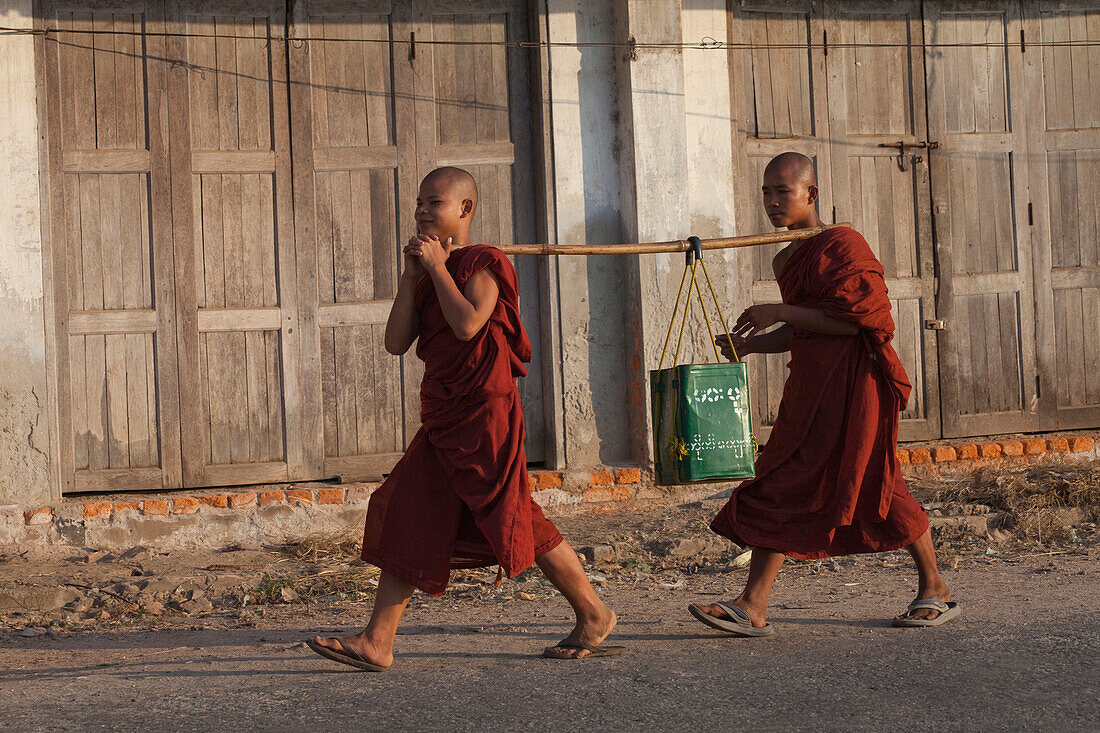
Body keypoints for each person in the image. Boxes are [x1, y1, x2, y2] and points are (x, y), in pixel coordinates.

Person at [307, 167, 622, 670]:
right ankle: (378, 640)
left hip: (482, 414)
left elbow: (469, 324)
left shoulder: (483, 263)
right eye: (418, 203)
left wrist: (436, 269)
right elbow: (394, 343)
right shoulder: (427, 271)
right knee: (413, 506)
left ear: (465, 209)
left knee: (507, 512)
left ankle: (593, 610)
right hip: (446, 414)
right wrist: (414, 277)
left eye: (434, 202)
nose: (422, 212)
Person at [688, 152, 958, 636]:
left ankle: (934, 585)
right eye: (766, 192)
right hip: (810, 387)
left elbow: (858, 322)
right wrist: (750, 345)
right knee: (782, 477)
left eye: (782, 192)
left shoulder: (843, 243)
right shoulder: (786, 256)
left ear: (811, 194)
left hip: (857, 385)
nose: (771, 202)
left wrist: (781, 311)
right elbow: (803, 331)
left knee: (874, 477)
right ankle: (752, 605)